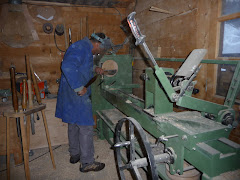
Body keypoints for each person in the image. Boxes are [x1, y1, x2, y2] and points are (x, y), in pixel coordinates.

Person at [55, 33, 112, 172]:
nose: (100, 52)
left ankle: (75, 154)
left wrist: (95, 69)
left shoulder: (83, 47)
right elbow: (67, 66)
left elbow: (81, 65)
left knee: (73, 123)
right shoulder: (81, 47)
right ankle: (87, 162)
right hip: (77, 92)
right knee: (86, 126)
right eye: (101, 50)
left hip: (70, 91)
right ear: (97, 44)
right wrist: (79, 87)